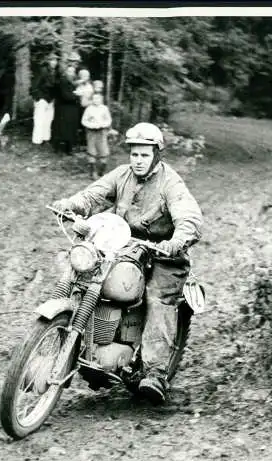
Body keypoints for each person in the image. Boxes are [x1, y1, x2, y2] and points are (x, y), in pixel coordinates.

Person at [52, 122, 203, 403]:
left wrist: (176, 241)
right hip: (122, 243)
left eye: (144, 155)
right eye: (134, 154)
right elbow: (94, 194)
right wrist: (71, 204)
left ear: (157, 154)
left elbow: (189, 217)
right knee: (84, 272)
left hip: (162, 253)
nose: (138, 160)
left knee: (158, 298)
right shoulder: (122, 175)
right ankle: (83, 343)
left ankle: (155, 372)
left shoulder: (170, 183)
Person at [81, 92, 112, 180]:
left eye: (98, 98)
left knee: (103, 151)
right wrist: (91, 125)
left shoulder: (104, 108)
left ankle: (101, 171)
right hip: (91, 132)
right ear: (92, 100)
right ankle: (92, 172)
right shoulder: (89, 109)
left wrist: (103, 124)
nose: (96, 100)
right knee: (92, 151)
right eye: (94, 98)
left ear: (101, 99)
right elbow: (84, 121)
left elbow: (109, 120)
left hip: (102, 132)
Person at [31, 52, 59, 146]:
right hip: (42, 99)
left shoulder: (56, 73)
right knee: (39, 120)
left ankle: (45, 139)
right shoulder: (42, 71)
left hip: (51, 100)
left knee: (48, 120)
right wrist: (38, 98)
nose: (54, 62)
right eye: (52, 60)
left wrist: (53, 99)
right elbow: (35, 86)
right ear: (48, 61)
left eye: (55, 60)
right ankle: (37, 141)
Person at [51, 65, 81, 155]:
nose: (72, 73)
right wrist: (77, 95)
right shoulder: (63, 81)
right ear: (66, 72)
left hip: (71, 109)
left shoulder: (71, 82)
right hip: (64, 109)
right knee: (61, 129)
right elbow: (66, 96)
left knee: (70, 130)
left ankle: (68, 149)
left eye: (73, 72)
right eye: (70, 71)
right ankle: (57, 148)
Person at [74, 69, 94, 147]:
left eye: (87, 76)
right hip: (78, 107)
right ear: (80, 76)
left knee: (86, 124)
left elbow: (91, 95)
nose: (86, 77)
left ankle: (85, 143)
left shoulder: (90, 85)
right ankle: (78, 142)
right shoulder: (78, 84)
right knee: (79, 124)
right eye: (84, 76)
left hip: (87, 107)